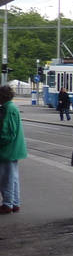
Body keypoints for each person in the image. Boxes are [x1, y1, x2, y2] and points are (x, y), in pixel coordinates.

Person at [0, 85, 28, 214]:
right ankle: (14, 203)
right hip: (14, 149)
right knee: (12, 177)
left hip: (7, 150)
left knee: (6, 178)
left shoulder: (7, 108)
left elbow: (7, 133)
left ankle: (8, 204)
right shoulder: (11, 107)